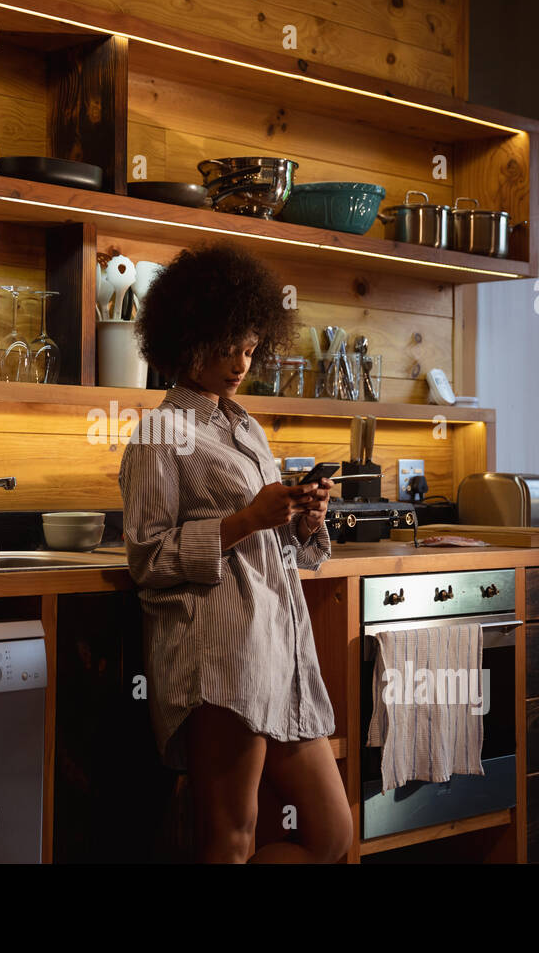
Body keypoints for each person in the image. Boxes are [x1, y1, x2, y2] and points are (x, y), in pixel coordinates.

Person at [118, 240, 352, 863]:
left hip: (276, 646)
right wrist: (246, 519)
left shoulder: (244, 425)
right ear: (186, 340)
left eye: (250, 348)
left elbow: (272, 545)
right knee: (230, 840)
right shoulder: (160, 433)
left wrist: (301, 519)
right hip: (217, 655)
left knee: (330, 836)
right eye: (228, 349)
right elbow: (146, 556)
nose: (241, 363)